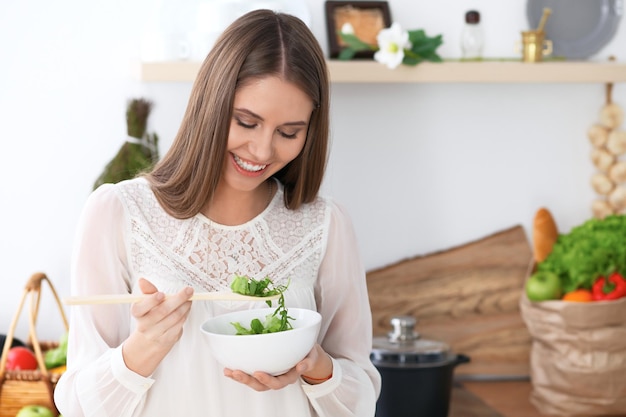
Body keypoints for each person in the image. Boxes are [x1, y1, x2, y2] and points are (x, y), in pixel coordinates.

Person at [54, 8, 381, 417]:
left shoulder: (325, 225)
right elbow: (77, 407)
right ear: (212, 102)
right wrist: (143, 349)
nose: (262, 151)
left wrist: (312, 366)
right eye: (246, 122)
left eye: (288, 132)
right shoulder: (118, 213)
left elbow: (361, 398)